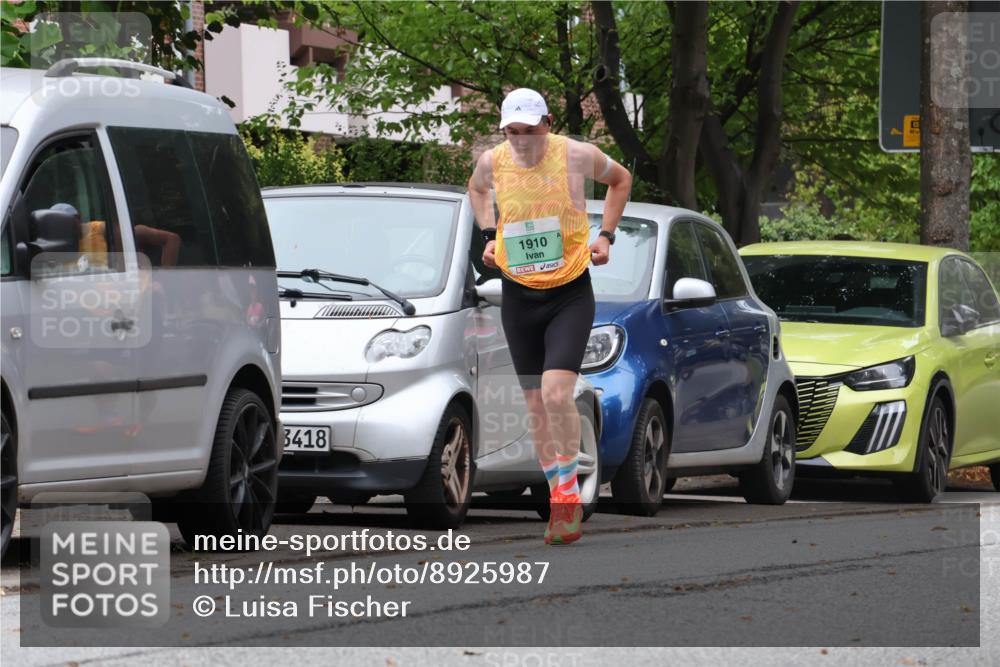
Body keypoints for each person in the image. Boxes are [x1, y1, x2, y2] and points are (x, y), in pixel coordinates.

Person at [467, 88, 632, 545]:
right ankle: (560, 495)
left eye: (530, 130)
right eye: (512, 132)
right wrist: (488, 235)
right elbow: (477, 190)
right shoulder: (493, 161)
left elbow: (621, 180)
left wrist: (606, 236)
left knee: (557, 393)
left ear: (549, 123)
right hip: (519, 295)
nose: (522, 140)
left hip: (569, 293)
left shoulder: (576, 155)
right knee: (536, 404)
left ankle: (568, 495)